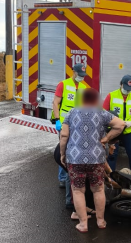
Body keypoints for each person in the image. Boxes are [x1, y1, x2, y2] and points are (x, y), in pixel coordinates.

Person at [60, 88, 125, 233]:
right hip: (96, 158)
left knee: (77, 191)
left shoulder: (71, 113)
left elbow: (64, 135)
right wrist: (106, 138)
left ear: (82, 99)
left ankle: (83, 224)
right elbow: (121, 125)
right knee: (98, 189)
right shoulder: (101, 113)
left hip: (75, 158)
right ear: (96, 100)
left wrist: (63, 154)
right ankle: (101, 221)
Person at [51, 62, 88, 208]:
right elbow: (56, 102)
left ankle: (67, 176)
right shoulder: (63, 84)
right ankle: (62, 178)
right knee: (63, 148)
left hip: (77, 124)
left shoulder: (84, 87)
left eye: (83, 75)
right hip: (65, 123)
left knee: (72, 151)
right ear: (73, 72)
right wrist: (57, 119)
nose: (81, 78)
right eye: (79, 75)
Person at [103, 75, 131, 175]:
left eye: (129, 89)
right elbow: (103, 113)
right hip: (114, 130)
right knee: (112, 155)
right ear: (121, 84)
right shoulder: (111, 95)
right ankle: (111, 179)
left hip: (128, 131)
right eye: (125, 88)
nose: (127, 91)